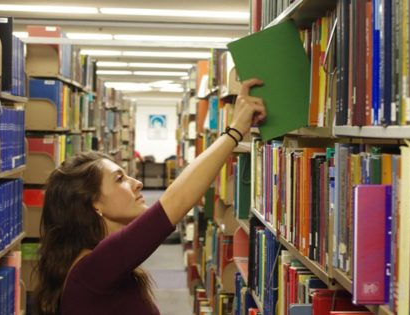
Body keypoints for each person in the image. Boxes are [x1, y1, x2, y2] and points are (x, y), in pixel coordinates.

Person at [33, 78, 266, 315]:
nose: (137, 183)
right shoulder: (93, 269)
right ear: (93, 204)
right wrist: (235, 131)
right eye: (120, 179)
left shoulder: (96, 265)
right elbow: (177, 200)